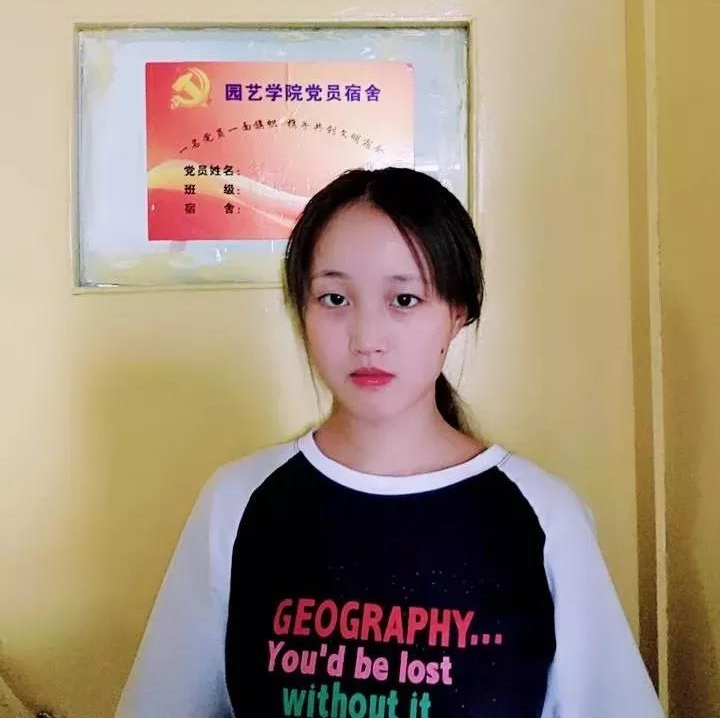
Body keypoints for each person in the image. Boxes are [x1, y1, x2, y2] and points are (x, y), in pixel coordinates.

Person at [116, 167, 663, 717]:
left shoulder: (544, 515)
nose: (367, 339)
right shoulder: (236, 502)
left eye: (404, 299)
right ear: (301, 310)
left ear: (458, 312)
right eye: (334, 298)